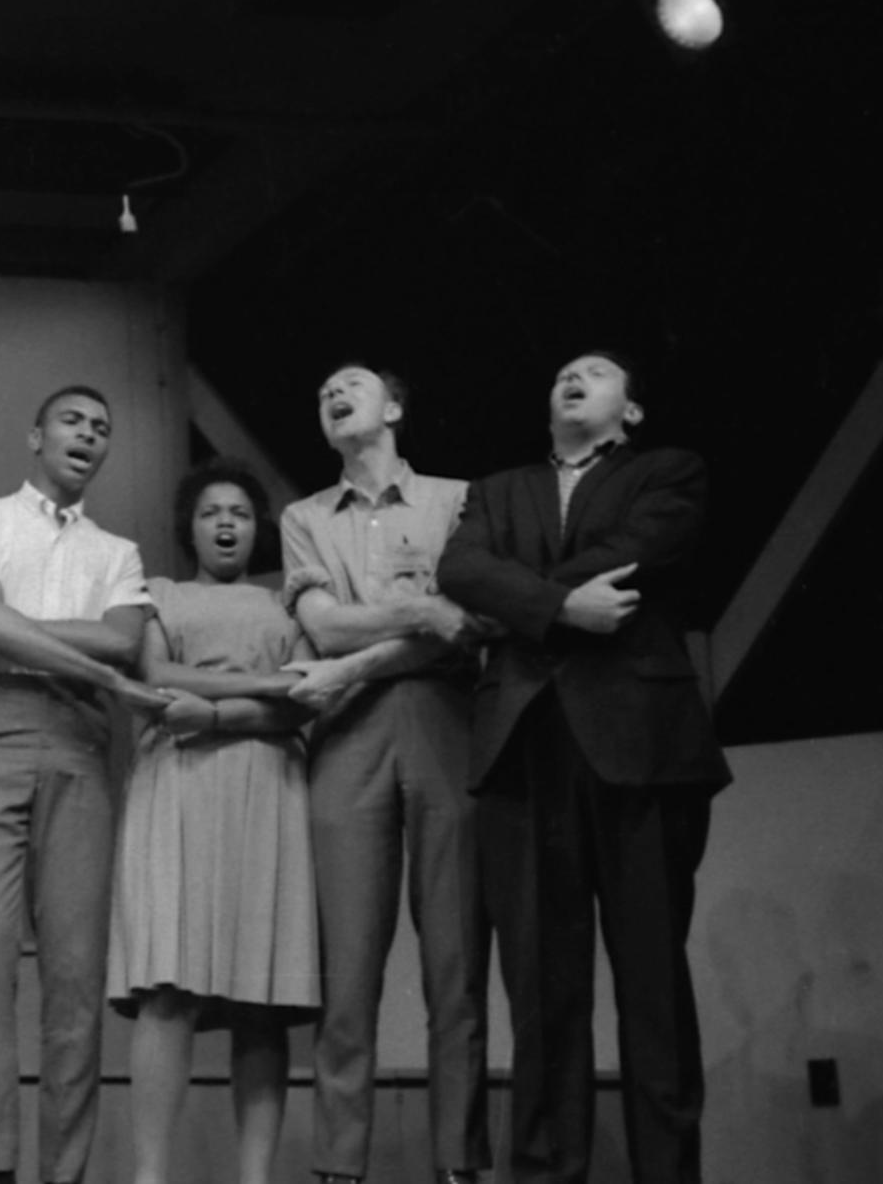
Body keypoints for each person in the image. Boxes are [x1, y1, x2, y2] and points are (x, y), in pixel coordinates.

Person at [438, 351, 727, 1184]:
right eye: (563, 371)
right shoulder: (496, 488)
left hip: (641, 746)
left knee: (653, 990)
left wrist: (515, 602)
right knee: (540, 994)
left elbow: (639, 550)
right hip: (523, 752)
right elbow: (458, 568)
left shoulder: (666, 470)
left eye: (596, 372)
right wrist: (561, 605)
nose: (573, 377)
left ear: (629, 411)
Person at [0, 384, 168, 1184]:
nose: (89, 434)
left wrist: (16, 622)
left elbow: (122, 639)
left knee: (75, 972)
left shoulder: (120, 551)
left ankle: (62, 1174)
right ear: (36, 433)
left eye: (103, 428)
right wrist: (72, 645)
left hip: (79, 739)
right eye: (73, 420)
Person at [277, 364, 492, 1184]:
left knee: (458, 969)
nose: (333, 392)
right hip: (350, 741)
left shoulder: (458, 499)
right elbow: (322, 629)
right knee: (349, 974)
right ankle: (340, 1168)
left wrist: (358, 659)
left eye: (354, 383)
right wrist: (418, 610)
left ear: (395, 407)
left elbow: (470, 625)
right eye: (322, 387)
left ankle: (461, 1167)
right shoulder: (304, 517)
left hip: (446, 725)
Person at [113, 459, 321, 1184]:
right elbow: (156, 674)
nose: (226, 522)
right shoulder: (159, 594)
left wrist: (218, 711)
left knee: (261, 991)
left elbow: (305, 698)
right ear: (189, 527)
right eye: (210, 512)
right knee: (168, 986)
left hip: (268, 788)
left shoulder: (288, 606)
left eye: (238, 510)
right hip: (178, 784)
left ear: (258, 525)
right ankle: (150, 1175)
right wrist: (261, 685)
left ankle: (255, 1177)